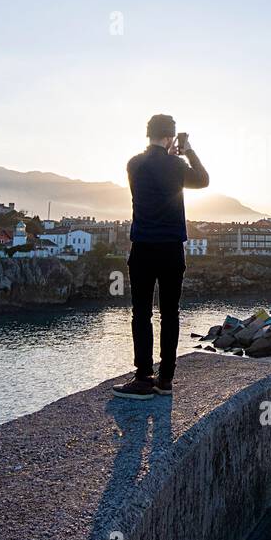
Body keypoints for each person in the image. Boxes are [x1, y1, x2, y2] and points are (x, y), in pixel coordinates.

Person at [112, 114, 209, 399]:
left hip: (142, 246)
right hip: (171, 248)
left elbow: (153, 172)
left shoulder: (134, 164)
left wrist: (168, 151)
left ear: (149, 134)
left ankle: (143, 377)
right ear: (170, 137)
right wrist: (187, 150)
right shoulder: (178, 165)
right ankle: (165, 379)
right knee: (170, 313)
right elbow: (203, 180)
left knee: (141, 312)